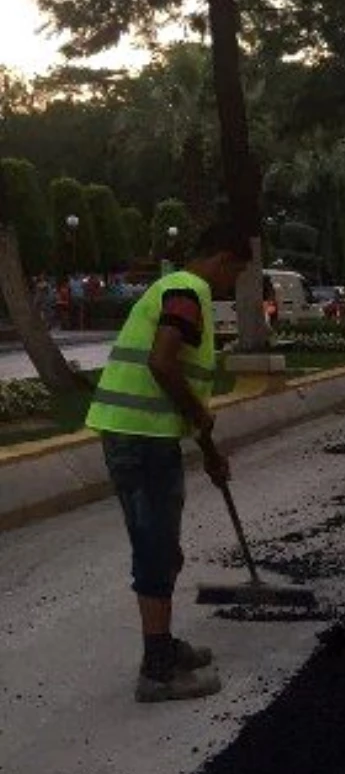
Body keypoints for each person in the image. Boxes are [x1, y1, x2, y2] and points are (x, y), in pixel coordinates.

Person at [86, 220, 251, 701]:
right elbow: (162, 363)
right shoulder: (187, 290)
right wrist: (199, 414)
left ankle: (163, 644)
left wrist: (210, 452)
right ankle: (157, 670)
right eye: (236, 273)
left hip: (145, 437)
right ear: (222, 260)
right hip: (140, 442)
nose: (231, 284)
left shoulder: (179, 290)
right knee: (156, 548)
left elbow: (185, 392)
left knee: (162, 546)